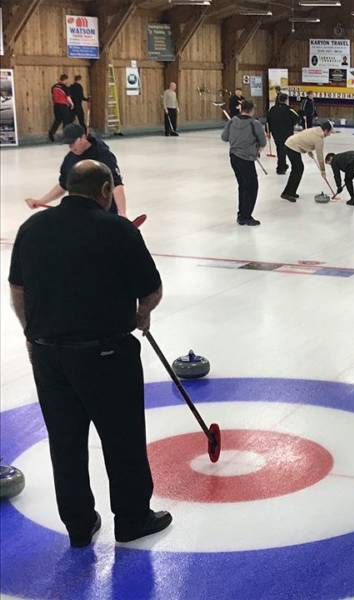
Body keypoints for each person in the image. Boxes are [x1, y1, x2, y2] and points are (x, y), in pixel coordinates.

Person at [8, 159, 172, 547]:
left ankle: (79, 525)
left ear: (66, 187)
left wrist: (31, 335)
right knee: (123, 439)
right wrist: (141, 315)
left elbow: (18, 288)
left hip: (49, 355)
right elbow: (151, 289)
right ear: (105, 191)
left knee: (65, 443)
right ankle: (132, 519)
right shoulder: (118, 230)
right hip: (107, 355)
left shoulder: (32, 228)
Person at [25, 123, 128, 217]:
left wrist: (122, 213)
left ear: (83, 137)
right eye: (68, 144)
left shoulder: (103, 155)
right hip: (80, 212)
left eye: (73, 142)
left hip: (104, 211)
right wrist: (41, 201)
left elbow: (116, 184)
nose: (71, 147)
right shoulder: (70, 159)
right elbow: (63, 185)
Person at [221, 100, 267, 226]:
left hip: (234, 157)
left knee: (242, 185)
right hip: (246, 158)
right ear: (252, 110)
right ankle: (246, 216)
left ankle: (242, 214)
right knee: (252, 187)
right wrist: (256, 148)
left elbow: (224, 137)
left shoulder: (231, 121)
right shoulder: (254, 123)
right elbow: (263, 142)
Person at [282, 120, 333, 202]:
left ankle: (290, 192)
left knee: (298, 169)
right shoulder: (319, 139)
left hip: (291, 144)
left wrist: (309, 151)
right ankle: (287, 193)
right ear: (326, 131)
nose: (330, 134)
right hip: (292, 146)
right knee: (298, 170)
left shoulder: (315, 130)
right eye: (330, 132)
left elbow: (306, 138)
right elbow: (320, 156)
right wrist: (323, 170)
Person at [267, 93, 301, 175]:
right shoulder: (289, 109)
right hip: (287, 133)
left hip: (276, 133)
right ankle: (284, 167)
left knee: (280, 149)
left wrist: (268, 131)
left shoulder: (272, 109)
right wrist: (291, 124)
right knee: (287, 149)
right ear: (286, 100)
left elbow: (268, 121)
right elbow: (297, 118)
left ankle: (282, 166)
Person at [48, 74, 74, 142]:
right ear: (65, 80)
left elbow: (53, 95)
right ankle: (65, 137)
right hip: (63, 106)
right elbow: (68, 97)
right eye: (67, 80)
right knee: (66, 121)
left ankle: (51, 133)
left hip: (56, 106)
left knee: (57, 120)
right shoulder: (65, 87)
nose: (67, 82)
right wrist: (72, 104)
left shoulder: (54, 86)